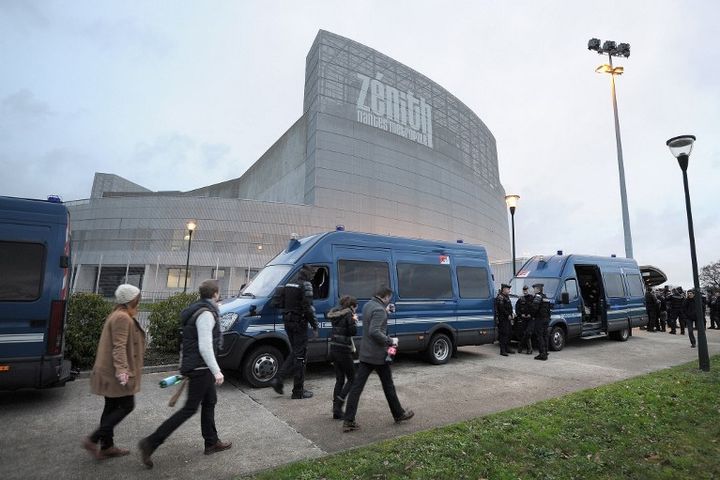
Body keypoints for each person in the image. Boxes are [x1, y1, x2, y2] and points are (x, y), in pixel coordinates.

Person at [138, 280, 231, 469]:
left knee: (210, 402)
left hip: (196, 365)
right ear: (214, 293)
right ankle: (151, 442)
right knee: (189, 409)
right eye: (218, 294)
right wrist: (217, 370)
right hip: (201, 368)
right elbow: (205, 345)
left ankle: (212, 442)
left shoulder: (199, 309)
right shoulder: (206, 314)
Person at [83, 284, 145, 460]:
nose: (138, 302)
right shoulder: (122, 318)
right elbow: (119, 347)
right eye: (137, 299)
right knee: (127, 405)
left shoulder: (118, 314)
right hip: (115, 374)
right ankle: (93, 439)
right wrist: (122, 370)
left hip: (110, 372)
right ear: (131, 300)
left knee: (110, 407)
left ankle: (107, 447)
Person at [342, 287, 414, 433]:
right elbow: (374, 331)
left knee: (357, 388)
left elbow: (372, 322)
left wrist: (385, 311)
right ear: (386, 297)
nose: (390, 300)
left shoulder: (369, 305)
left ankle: (348, 420)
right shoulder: (379, 310)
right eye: (390, 298)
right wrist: (390, 340)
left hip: (366, 354)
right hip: (378, 356)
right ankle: (399, 414)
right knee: (388, 386)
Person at [270, 265, 319, 399]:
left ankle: (279, 380)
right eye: (313, 274)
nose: (313, 276)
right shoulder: (306, 285)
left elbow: (277, 303)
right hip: (299, 323)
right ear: (308, 274)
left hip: (288, 322)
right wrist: (314, 326)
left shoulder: (289, 284)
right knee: (300, 356)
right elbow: (308, 308)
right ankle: (297, 391)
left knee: (296, 352)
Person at [326, 295, 358, 419]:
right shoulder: (349, 314)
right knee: (352, 378)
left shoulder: (336, 314)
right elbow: (352, 332)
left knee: (340, 379)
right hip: (343, 350)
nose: (355, 310)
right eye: (355, 308)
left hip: (334, 348)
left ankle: (336, 411)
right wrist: (354, 320)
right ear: (351, 306)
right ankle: (338, 404)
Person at [531, 283, 551, 361]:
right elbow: (549, 309)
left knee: (540, 337)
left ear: (538, 289)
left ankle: (542, 354)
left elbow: (534, 308)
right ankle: (545, 352)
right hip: (546, 319)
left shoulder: (537, 297)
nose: (534, 290)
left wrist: (532, 316)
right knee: (545, 336)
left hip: (539, 320)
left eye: (535, 288)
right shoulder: (546, 297)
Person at [494, 283, 515, 356]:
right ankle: (502, 350)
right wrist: (507, 315)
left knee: (509, 333)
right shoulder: (500, 297)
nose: (509, 290)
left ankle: (507, 348)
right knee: (503, 334)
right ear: (504, 289)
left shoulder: (506, 297)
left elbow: (509, 307)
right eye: (508, 289)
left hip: (508, 318)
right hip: (503, 319)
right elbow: (501, 308)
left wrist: (512, 313)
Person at [515, 285, 535, 354]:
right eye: (524, 290)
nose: (525, 292)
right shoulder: (521, 299)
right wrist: (520, 315)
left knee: (528, 333)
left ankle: (523, 346)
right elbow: (517, 308)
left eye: (526, 290)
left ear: (528, 290)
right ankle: (528, 348)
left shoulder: (532, 298)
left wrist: (531, 315)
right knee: (523, 333)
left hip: (530, 319)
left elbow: (535, 308)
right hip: (523, 319)